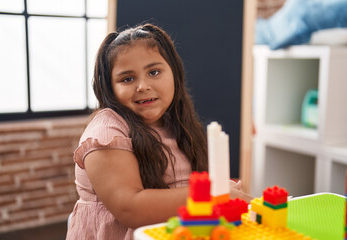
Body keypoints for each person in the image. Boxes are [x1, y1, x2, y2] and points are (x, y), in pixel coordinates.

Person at [66, 23, 252, 240]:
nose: (143, 86)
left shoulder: (179, 125)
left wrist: (223, 188)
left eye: (154, 72)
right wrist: (210, 195)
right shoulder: (106, 131)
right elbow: (130, 208)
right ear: (109, 87)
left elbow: (182, 191)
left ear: (174, 74)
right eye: (127, 79)